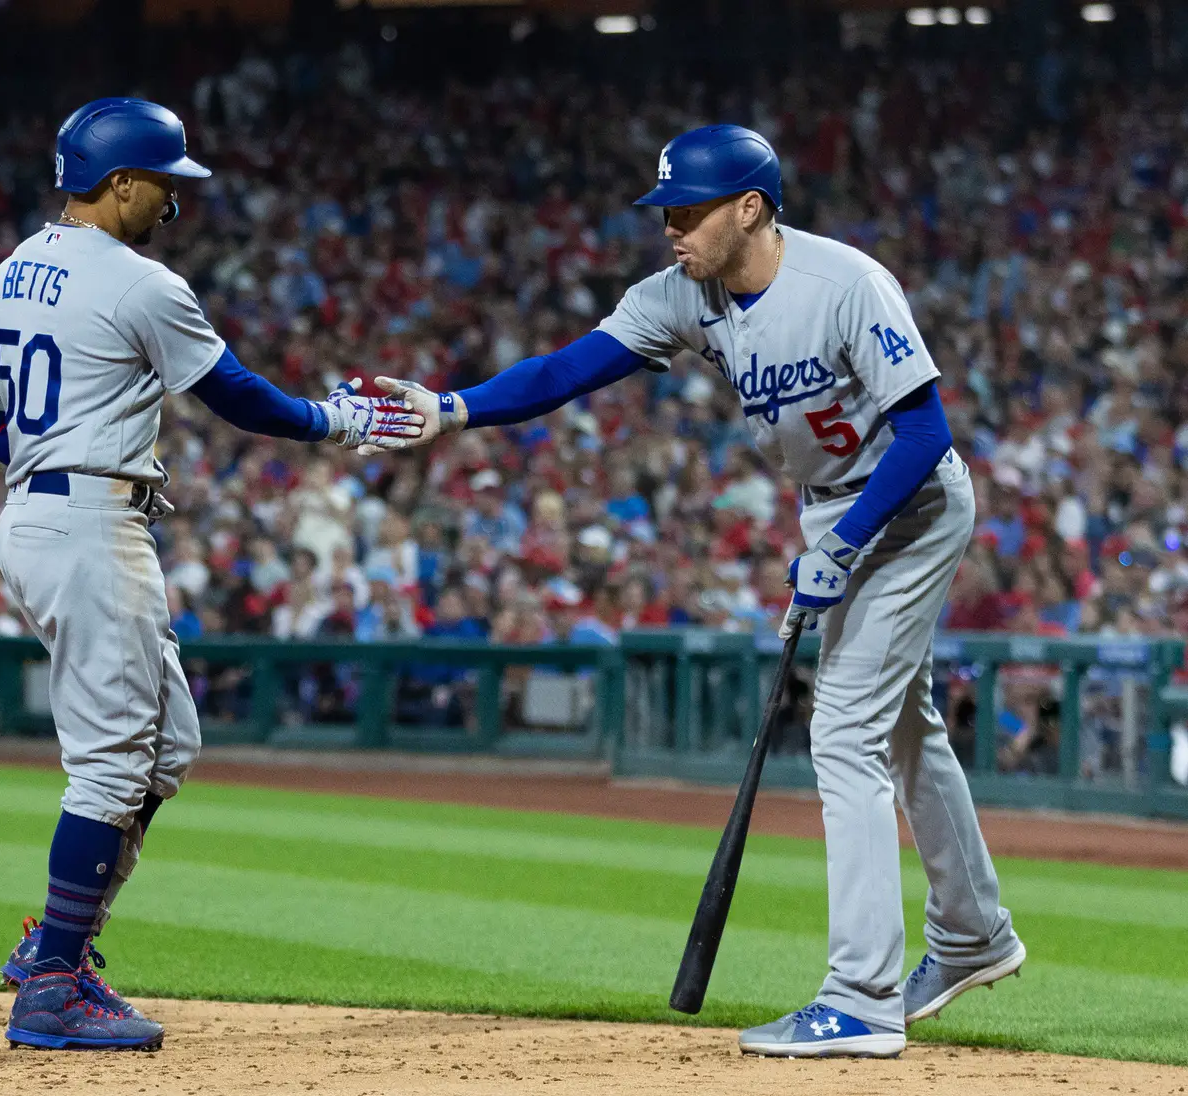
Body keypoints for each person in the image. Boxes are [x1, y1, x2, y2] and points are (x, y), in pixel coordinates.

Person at [370, 125, 1025, 1059]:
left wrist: (842, 542)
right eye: (665, 211)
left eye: (687, 210)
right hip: (831, 508)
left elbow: (924, 432)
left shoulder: (845, 284)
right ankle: (971, 936)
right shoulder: (681, 295)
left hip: (911, 505)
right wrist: (454, 406)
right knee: (901, 723)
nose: (669, 227)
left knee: (842, 726)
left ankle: (863, 996)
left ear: (750, 207)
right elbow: (566, 370)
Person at [0, 97, 419, 1051]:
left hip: (39, 515)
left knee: (168, 745)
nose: (172, 203)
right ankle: (51, 991)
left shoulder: (9, 273)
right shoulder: (138, 282)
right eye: (163, 185)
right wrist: (339, 420)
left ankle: (59, 942)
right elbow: (238, 397)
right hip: (88, 524)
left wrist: (55, 433)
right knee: (116, 760)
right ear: (118, 183)